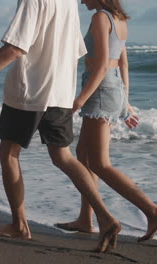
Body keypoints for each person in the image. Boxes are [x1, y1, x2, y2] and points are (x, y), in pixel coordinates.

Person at [0, 0, 121, 253]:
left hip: (29, 91)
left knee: (8, 153)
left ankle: (19, 225)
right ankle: (106, 217)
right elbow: (76, 49)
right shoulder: (68, 3)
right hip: (61, 92)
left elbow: (15, 48)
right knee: (63, 156)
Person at [55, 0, 157, 242]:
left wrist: (80, 100)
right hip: (111, 88)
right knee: (84, 154)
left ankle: (152, 211)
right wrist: (125, 101)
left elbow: (100, 65)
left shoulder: (101, 17)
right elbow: (122, 63)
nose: (80, 1)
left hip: (99, 90)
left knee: (100, 163)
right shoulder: (119, 18)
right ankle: (85, 219)